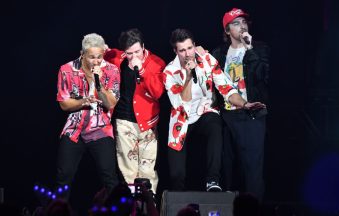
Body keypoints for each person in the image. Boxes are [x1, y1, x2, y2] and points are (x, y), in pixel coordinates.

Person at [163, 28, 265, 192]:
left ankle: (212, 180)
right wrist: (188, 77)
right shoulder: (169, 72)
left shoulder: (207, 60)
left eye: (190, 48)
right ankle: (178, 203)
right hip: (182, 119)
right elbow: (181, 103)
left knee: (215, 123)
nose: (187, 54)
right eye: (182, 50)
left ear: (194, 46)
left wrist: (245, 104)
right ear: (175, 51)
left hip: (205, 112)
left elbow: (227, 89)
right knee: (176, 175)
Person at [211, 8, 270, 200]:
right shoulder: (219, 53)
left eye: (244, 22)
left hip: (252, 114)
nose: (242, 26)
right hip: (227, 115)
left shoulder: (259, 49)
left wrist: (250, 48)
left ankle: (255, 209)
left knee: (253, 168)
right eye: (236, 23)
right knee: (227, 167)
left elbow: (264, 77)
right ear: (227, 30)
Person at [55, 33, 120, 200]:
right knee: (64, 176)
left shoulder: (111, 70)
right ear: (82, 54)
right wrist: (83, 101)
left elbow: (111, 103)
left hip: (100, 129)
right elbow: (63, 103)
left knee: (110, 177)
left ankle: (117, 211)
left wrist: (98, 83)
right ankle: (60, 210)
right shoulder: (67, 70)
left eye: (99, 57)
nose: (96, 61)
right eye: (92, 57)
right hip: (74, 129)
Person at [104, 28, 166, 194]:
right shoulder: (119, 58)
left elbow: (158, 92)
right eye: (129, 53)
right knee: (128, 170)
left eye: (137, 51)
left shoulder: (156, 63)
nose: (133, 57)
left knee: (147, 171)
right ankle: (132, 208)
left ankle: (149, 206)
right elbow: (102, 53)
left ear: (143, 46)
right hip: (123, 121)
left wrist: (143, 71)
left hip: (148, 124)